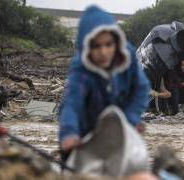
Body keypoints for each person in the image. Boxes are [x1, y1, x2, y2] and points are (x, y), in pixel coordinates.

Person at [59, 5, 150, 158]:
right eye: (96, 46)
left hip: (118, 122)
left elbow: (141, 89)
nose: (103, 52)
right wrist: (69, 133)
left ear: (117, 42)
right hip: (85, 127)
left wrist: (130, 120)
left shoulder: (127, 58)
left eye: (108, 44)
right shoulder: (80, 68)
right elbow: (73, 103)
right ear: (86, 46)